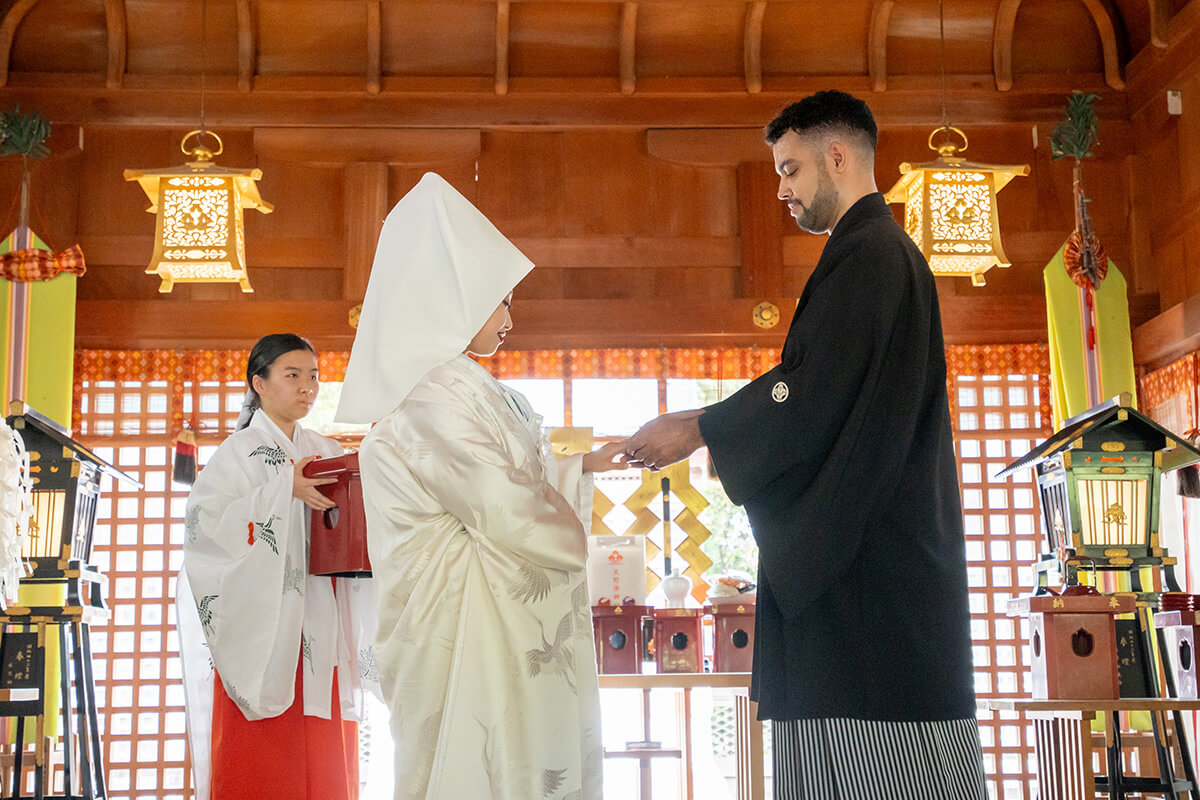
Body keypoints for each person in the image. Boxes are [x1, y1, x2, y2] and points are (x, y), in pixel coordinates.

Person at [623, 90, 987, 799]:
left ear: (838, 156)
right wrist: (710, 420)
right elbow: (819, 393)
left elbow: (809, 392)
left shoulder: (871, 257)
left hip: (866, 592)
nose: (783, 191)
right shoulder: (878, 255)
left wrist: (700, 426)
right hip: (888, 577)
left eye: (791, 170)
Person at [337, 172, 625, 800]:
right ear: (452, 302)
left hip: (495, 612)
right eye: (500, 302)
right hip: (462, 617)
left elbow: (518, 478)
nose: (509, 318)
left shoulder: (470, 388)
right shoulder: (431, 397)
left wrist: (587, 465)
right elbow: (500, 502)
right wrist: (567, 526)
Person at [177, 333, 379, 800]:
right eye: (293, 375)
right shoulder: (235, 455)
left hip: (323, 618)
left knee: (325, 752)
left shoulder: (327, 449)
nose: (307, 386)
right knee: (265, 762)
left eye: (313, 376)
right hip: (264, 628)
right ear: (259, 384)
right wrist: (280, 490)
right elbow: (205, 532)